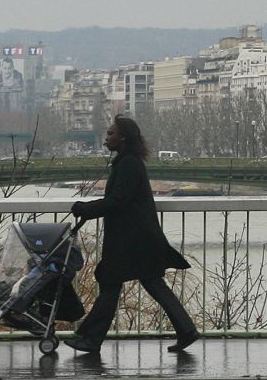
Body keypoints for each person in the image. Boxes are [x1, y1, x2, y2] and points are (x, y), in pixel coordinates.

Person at [62, 115, 199, 354]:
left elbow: (117, 201)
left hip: (130, 241)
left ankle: (91, 339)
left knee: (111, 282)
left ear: (123, 137)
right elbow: (120, 200)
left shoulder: (128, 165)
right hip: (138, 238)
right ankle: (186, 330)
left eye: (111, 134)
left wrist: (85, 209)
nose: (106, 138)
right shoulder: (130, 162)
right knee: (150, 283)